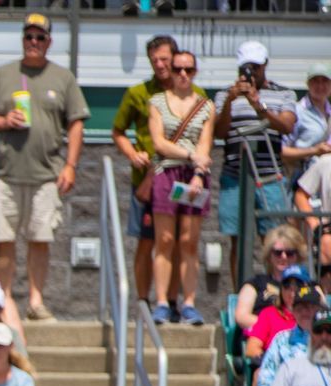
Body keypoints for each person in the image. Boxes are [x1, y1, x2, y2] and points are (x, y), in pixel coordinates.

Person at [0, 14, 88, 321]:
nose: (34, 43)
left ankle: (36, 302)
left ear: (49, 41)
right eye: (29, 37)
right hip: (6, 172)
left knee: (40, 239)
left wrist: (71, 165)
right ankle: (4, 300)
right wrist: (2, 121)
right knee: (3, 240)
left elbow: (76, 124)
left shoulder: (63, 78)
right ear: (22, 40)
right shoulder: (4, 74)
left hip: (47, 173)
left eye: (40, 37)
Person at [112, 37, 190, 301]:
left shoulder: (193, 92)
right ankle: (143, 302)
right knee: (147, 241)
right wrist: (132, 154)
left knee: (178, 241)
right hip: (147, 180)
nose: (159, 65)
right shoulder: (138, 93)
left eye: (164, 59)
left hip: (182, 178)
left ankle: (170, 301)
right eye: (154, 60)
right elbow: (118, 132)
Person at [214, 42, 297, 284]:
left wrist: (258, 105)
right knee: (237, 239)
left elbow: (286, 125)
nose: (252, 72)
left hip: (270, 175)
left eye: (256, 67)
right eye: (247, 67)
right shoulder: (223, 94)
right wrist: (231, 101)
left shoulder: (284, 93)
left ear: (265, 65)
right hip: (235, 175)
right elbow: (219, 132)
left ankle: (276, 291)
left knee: (274, 239)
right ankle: (240, 292)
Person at [146, 52, 217, 327]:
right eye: (178, 69)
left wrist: (199, 172)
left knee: (189, 240)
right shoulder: (157, 102)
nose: (183, 74)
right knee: (164, 240)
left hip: (195, 174)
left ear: (195, 72)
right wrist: (190, 158)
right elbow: (159, 143)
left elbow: (205, 142)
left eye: (188, 69)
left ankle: (188, 302)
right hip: (168, 171)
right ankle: (162, 301)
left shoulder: (206, 105)